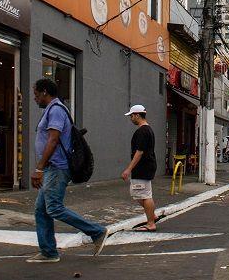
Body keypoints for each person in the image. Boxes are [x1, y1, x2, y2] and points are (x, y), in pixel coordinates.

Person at [29, 78, 108, 263]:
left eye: (35, 94)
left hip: (56, 168)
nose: (34, 98)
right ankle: (48, 252)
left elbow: (53, 140)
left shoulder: (56, 110)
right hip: (51, 169)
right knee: (41, 210)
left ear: (45, 92)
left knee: (54, 208)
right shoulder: (53, 109)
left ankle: (96, 232)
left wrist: (38, 168)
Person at [121, 104, 157, 231]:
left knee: (143, 195)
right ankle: (152, 215)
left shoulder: (142, 131)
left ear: (137, 115)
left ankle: (151, 223)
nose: (130, 118)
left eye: (131, 116)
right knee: (140, 193)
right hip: (147, 166)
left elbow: (139, 152)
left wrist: (128, 169)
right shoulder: (148, 129)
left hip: (142, 167)